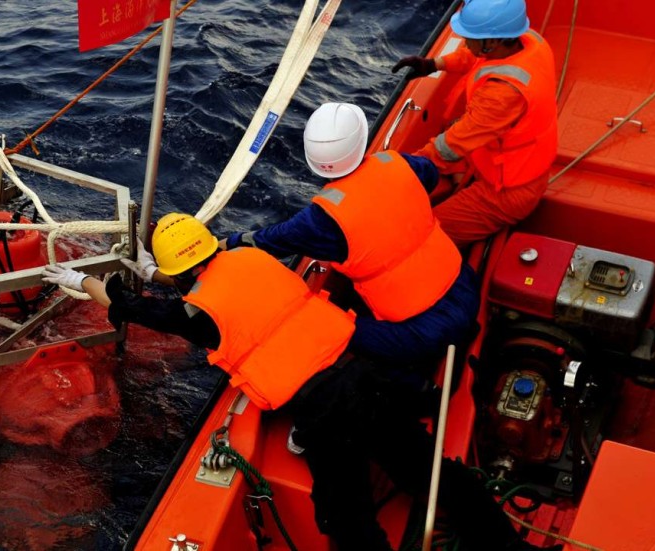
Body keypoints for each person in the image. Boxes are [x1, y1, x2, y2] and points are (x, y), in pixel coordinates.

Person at [42, 213, 559, 551]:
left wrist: (87, 284)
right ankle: (507, 546)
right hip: (369, 377)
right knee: (432, 474)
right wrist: (156, 274)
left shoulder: (199, 313)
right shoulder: (252, 259)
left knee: (346, 520)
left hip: (328, 412)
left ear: (178, 272)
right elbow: (204, 284)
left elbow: (139, 310)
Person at [222, 102, 479, 367]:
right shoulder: (401, 164)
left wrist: (222, 245)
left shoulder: (321, 220)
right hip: (467, 289)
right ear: (361, 141)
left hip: (419, 334)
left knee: (320, 323)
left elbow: (266, 241)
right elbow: (430, 176)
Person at [392, 0, 558, 247]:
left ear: (491, 42)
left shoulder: (503, 94)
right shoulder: (527, 41)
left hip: (505, 192)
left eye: (470, 37)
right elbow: (473, 57)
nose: (465, 42)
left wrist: (402, 172)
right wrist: (433, 64)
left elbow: (450, 147)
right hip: (504, 162)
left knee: (423, 237)